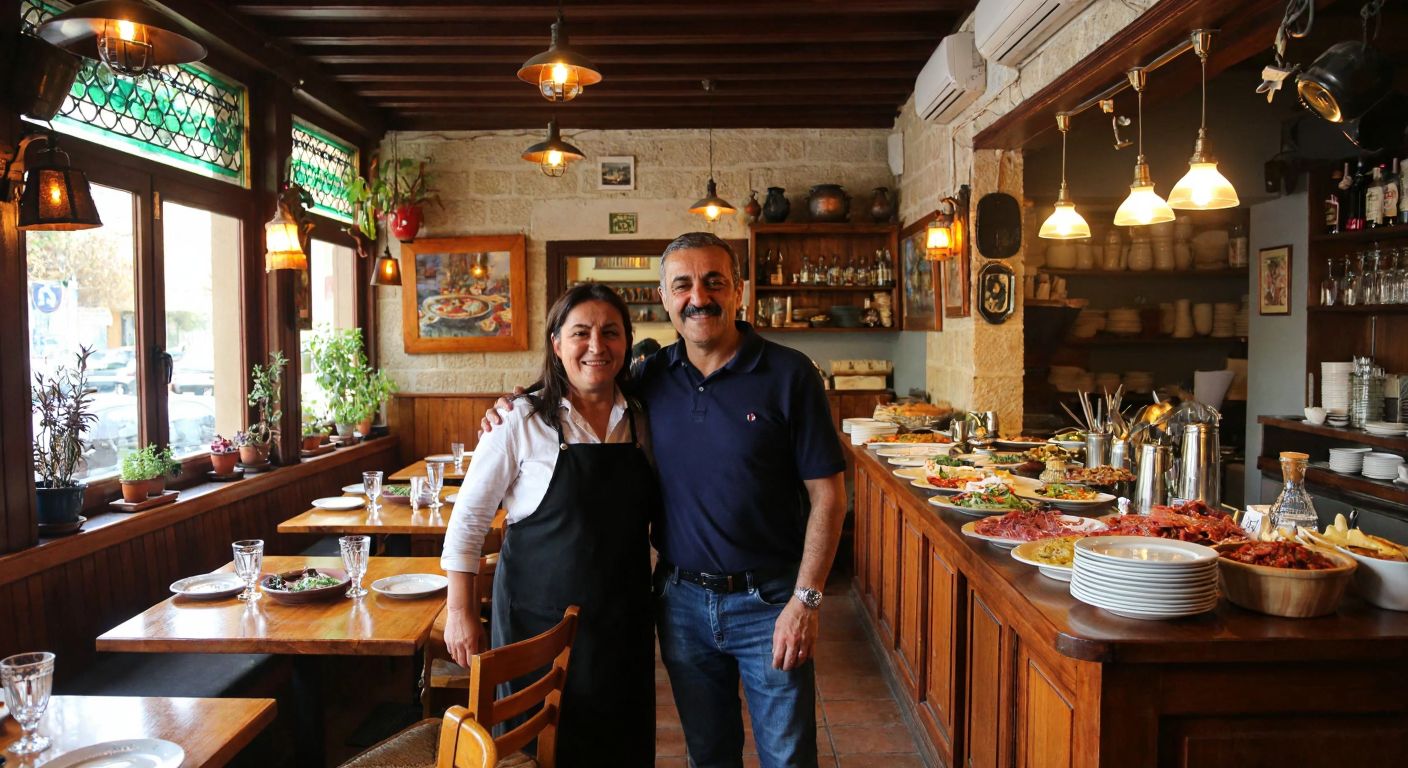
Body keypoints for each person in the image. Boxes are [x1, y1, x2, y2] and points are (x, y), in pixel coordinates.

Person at [486, 232, 846, 768]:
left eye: (714, 282)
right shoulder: (648, 380)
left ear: (739, 290)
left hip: (770, 602)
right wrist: (518, 403)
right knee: (708, 754)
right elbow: (584, 378)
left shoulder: (791, 374)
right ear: (665, 296)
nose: (699, 296)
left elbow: (830, 498)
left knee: (789, 756)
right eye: (683, 284)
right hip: (681, 604)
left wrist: (807, 600)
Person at [442, 283, 657, 766]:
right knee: (535, 748)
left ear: (627, 342)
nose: (597, 346)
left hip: (622, 621)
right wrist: (460, 613)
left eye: (611, 332)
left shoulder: (643, 418)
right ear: (556, 344)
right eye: (580, 333)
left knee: (618, 745)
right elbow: (469, 521)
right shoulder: (520, 419)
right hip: (535, 625)